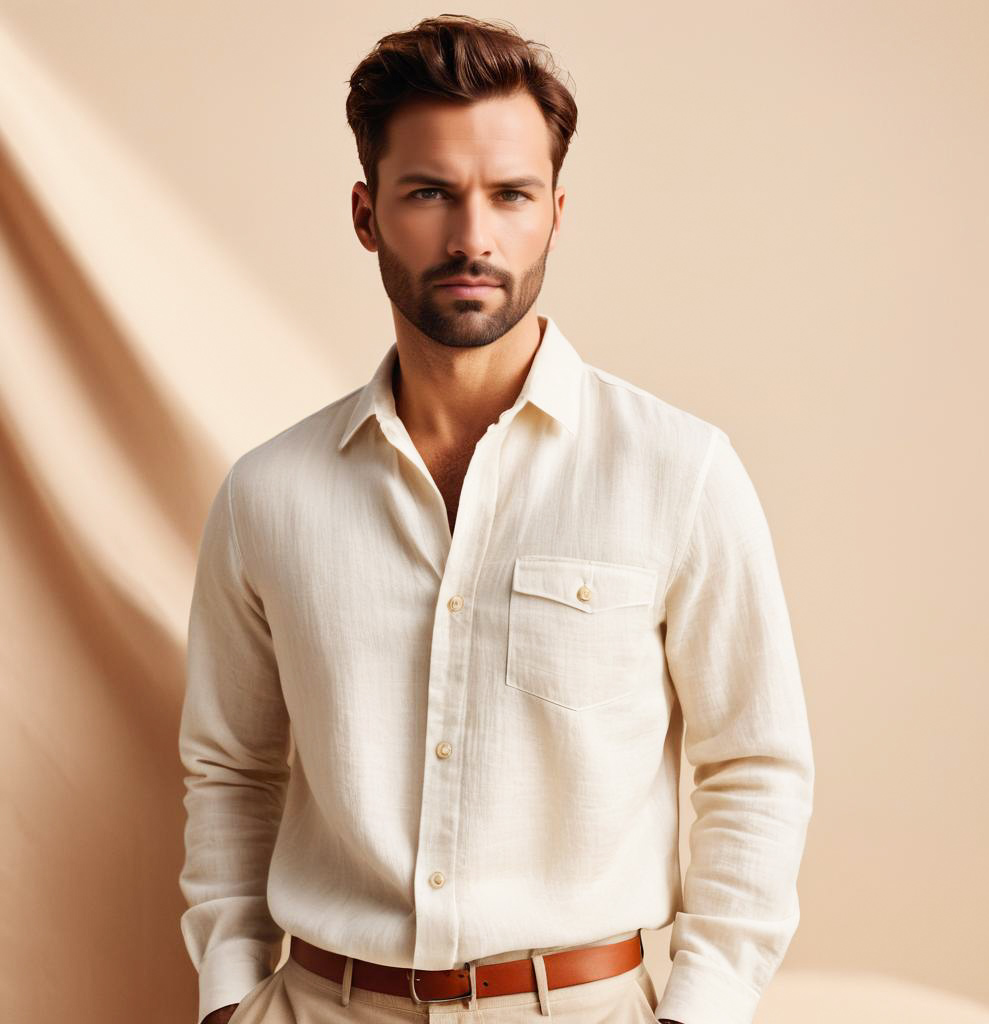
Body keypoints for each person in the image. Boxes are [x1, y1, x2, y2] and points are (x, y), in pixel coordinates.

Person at [177, 14, 815, 1024]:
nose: (472, 236)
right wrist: (226, 996)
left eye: (509, 195)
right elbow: (231, 769)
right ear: (365, 211)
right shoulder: (269, 495)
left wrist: (700, 1008)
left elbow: (755, 766)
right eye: (429, 193)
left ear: (556, 212)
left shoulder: (677, 471)